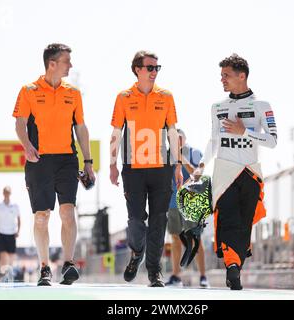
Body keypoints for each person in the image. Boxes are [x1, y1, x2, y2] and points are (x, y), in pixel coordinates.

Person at [13, 43, 95, 286]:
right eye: (66, 61)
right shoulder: (28, 90)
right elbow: (20, 123)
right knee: (42, 216)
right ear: (52, 64)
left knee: (68, 211)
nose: (70, 65)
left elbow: (81, 128)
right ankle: (45, 267)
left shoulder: (74, 93)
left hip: (67, 160)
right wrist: (27, 146)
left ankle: (68, 264)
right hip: (39, 160)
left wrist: (88, 162)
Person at [193, 53, 277, 290]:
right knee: (227, 220)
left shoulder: (262, 106)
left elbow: (272, 141)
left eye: (226, 75)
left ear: (242, 76)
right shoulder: (217, 107)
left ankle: (235, 267)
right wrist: (200, 167)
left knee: (243, 224)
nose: (222, 80)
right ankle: (231, 267)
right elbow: (213, 141)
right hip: (224, 172)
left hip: (250, 172)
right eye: (221, 76)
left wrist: (245, 132)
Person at [109, 50, 183, 287]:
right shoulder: (123, 97)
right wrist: (112, 164)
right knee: (136, 219)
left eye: (156, 68)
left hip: (161, 168)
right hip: (133, 168)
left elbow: (173, 132)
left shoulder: (167, 97)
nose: (154, 72)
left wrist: (178, 165)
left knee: (159, 221)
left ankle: (154, 272)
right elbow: (116, 133)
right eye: (150, 68)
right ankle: (136, 252)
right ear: (137, 70)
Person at [165, 129, 209, 288]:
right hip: (172, 204)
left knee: (196, 239)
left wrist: (182, 160)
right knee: (175, 239)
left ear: (185, 138)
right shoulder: (166, 155)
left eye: (179, 138)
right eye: (172, 139)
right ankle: (176, 276)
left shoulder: (195, 153)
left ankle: (203, 276)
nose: (176, 141)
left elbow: (199, 175)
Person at [0, 186, 20, 280]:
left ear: (10, 193)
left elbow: (19, 220)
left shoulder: (15, 206)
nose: (7, 194)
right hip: (1, 233)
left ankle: (8, 273)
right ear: (3, 193)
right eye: (5, 192)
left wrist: (18, 231)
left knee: (11, 256)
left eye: (8, 192)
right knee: (3, 255)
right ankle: (2, 274)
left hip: (12, 233)